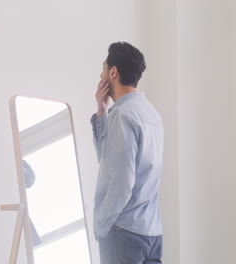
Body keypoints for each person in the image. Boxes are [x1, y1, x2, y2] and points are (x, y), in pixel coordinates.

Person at [90, 42, 164, 264]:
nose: (101, 74)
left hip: (124, 233)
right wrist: (101, 112)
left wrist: (101, 225)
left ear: (113, 72)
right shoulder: (151, 113)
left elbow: (122, 183)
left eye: (103, 68)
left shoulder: (122, 115)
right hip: (152, 232)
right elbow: (107, 159)